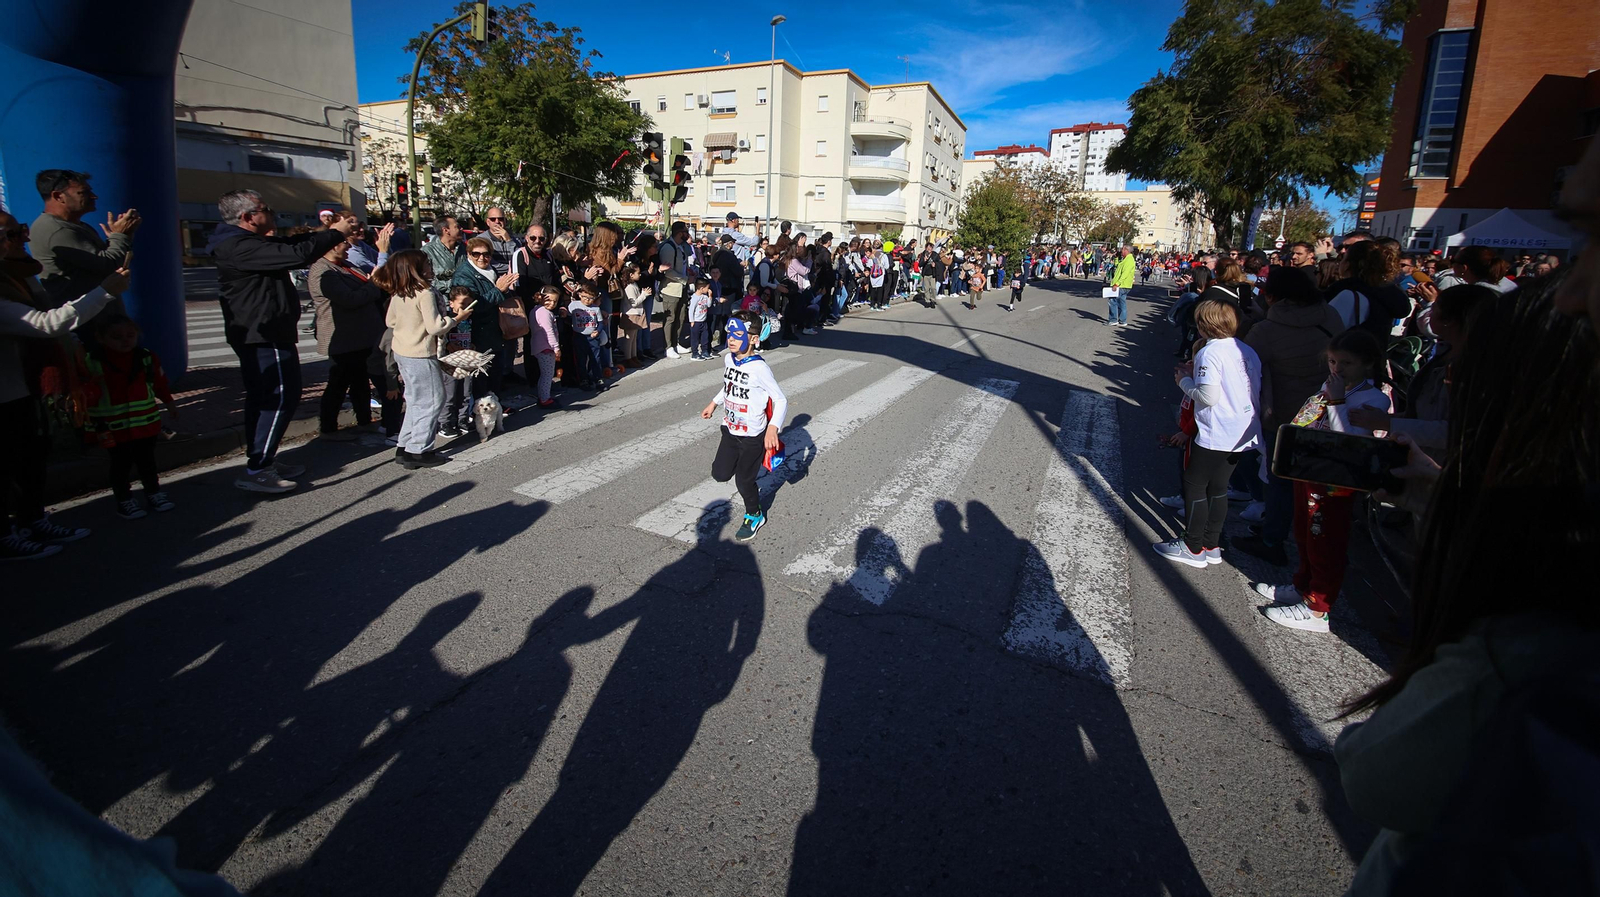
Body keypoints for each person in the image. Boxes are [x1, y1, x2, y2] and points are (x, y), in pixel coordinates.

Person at [1333, 281, 1599, 895]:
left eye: (1475, 379)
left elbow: (1375, 778)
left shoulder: (1526, 648)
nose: (1452, 385)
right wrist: (1442, 501)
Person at [207, 189, 354, 493]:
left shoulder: (249, 242)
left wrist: (330, 232)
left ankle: (264, 459)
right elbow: (297, 254)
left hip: (269, 331)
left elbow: (292, 244)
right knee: (278, 396)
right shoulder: (237, 246)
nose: (271, 213)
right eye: (265, 208)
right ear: (248, 217)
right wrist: (335, 234)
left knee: (269, 397)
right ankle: (258, 467)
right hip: (262, 333)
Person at [0, 217, 124, 560]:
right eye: (11, 235)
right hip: (6, 387)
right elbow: (45, 323)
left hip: (27, 383)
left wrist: (73, 349)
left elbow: (49, 317)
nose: (21, 239)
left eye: (19, 230)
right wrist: (105, 291)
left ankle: (33, 518)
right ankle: (6, 535)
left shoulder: (19, 272)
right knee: (7, 463)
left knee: (31, 456)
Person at [1252, 329, 1391, 632]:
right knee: (1303, 532)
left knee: (1325, 540)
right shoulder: (1331, 385)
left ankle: (1318, 607)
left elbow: (1351, 441)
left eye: (1346, 363)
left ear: (1366, 364)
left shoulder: (1374, 399)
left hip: (1336, 480)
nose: (1337, 369)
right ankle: (1304, 585)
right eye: (1332, 361)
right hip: (1311, 469)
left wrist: (1337, 400)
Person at [1230, 266, 1348, 566]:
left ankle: (1272, 538)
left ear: (1273, 295)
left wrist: (1246, 324)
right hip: (1325, 408)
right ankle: (1291, 532)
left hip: (1284, 413)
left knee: (1279, 478)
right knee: (1307, 482)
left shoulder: (1267, 330)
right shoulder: (1330, 316)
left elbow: (1246, 365)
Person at [1153, 299, 1262, 568]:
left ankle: (1192, 545)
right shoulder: (1245, 349)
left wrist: (1184, 382)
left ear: (1204, 324)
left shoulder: (1209, 352)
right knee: (1219, 487)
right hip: (1244, 426)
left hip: (1219, 427)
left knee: (1194, 483)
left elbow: (1208, 396)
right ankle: (1211, 544)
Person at [700, 309, 787, 543]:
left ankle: (754, 514)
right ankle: (745, 481)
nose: (731, 339)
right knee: (719, 474)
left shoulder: (759, 368)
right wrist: (714, 403)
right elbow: (728, 384)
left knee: (743, 481)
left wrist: (773, 428)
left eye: (738, 334)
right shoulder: (729, 359)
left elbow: (780, 399)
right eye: (730, 333)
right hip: (729, 429)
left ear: (754, 339)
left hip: (752, 436)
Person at [379, 249, 469, 469]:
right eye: (427, 264)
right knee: (433, 400)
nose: (431, 268)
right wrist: (456, 319)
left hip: (403, 351)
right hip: (420, 353)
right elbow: (435, 327)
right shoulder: (425, 292)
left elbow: (390, 321)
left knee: (415, 400)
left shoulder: (400, 292)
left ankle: (405, 445)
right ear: (416, 269)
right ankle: (419, 449)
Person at [83, 315, 178, 519]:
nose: (125, 340)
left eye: (130, 335)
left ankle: (153, 493)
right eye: (116, 337)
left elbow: (159, 383)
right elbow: (83, 396)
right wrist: (91, 386)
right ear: (101, 338)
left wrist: (170, 403)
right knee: (120, 465)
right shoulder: (92, 361)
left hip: (145, 424)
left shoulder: (146, 357)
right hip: (114, 428)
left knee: (147, 462)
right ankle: (124, 500)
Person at [309, 234, 387, 441]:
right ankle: (328, 428)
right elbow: (350, 299)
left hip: (362, 336)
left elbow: (369, 284)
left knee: (361, 382)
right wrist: (373, 284)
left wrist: (372, 283)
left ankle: (364, 421)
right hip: (342, 337)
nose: (348, 246)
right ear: (333, 246)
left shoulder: (347, 265)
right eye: (345, 243)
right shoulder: (322, 270)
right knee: (338, 383)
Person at [29, 169, 139, 313]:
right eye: (84, 192)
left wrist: (121, 237)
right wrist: (119, 236)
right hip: (86, 320)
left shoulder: (74, 226)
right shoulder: (58, 230)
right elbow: (109, 265)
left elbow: (105, 263)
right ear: (58, 196)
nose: (94, 197)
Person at [450, 236, 518, 397]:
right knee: (481, 378)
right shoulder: (464, 276)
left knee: (495, 374)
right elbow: (472, 306)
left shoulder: (489, 270)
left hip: (494, 331)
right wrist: (498, 290)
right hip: (478, 334)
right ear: (468, 254)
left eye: (486, 254)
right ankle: (481, 412)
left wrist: (506, 289)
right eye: (476, 254)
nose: (482, 258)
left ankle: (495, 407)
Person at [1325, 241, 1410, 336]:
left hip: (1344, 348)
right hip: (1375, 348)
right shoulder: (1391, 292)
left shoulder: (1345, 292)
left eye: (1343, 259)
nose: (1339, 263)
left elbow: (1325, 329)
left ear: (1348, 264)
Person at [658, 221, 694, 358]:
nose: (688, 234)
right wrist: (685, 279)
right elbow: (668, 272)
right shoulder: (669, 248)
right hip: (671, 289)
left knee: (681, 316)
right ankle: (668, 347)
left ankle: (676, 343)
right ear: (680, 233)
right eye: (685, 231)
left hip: (682, 288)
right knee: (670, 318)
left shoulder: (680, 246)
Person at [568, 283, 606, 390]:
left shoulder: (596, 308)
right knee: (581, 359)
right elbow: (567, 316)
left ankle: (598, 378)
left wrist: (597, 331)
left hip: (592, 337)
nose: (588, 300)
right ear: (580, 295)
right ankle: (583, 380)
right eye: (585, 297)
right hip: (579, 336)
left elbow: (600, 322)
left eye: (591, 298)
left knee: (595, 358)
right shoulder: (574, 305)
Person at [530, 285, 562, 407]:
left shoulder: (536, 310)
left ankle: (543, 396)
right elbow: (549, 331)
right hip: (546, 347)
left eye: (555, 301)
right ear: (541, 297)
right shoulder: (544, 313)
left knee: (545, 374)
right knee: (548, 375)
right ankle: (544, 399)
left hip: (540, 346)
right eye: (548, 300)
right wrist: (556, 347)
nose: (552, 304)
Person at [422, 215, 467, 297]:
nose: (461, 229)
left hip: (465, 301)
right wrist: (453, 284)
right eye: (457, 227)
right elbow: (425, 280)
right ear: (446, 230)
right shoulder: (427, 251)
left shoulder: (464, 249)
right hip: (441, 301)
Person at [481, 207, 522, 276]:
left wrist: (509, 241)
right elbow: (491, 265)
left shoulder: (515, 240)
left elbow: (519, 260)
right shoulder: (482, 240)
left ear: (505, 221)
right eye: (493, 219)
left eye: (500, 219)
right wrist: (513, 268)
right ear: (488, 222)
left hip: (514, 279)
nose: (497, 221)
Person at [1108, 245, 1136, 326]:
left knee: (1112, 301)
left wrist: (1117, 284)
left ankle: (1113, 319)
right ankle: (1122, 320)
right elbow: (1117, 266)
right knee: (1121, 302)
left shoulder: (1129, 260)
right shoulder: (1125, 259)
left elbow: (1125, 274)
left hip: (1122, 285)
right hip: (1124, 285)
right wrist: (1116, 258)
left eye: (1123, 249)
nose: (1121, 251)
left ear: (1126, 250)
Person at [687, 279, 714, 360]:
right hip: (696, 322)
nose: (708, 290)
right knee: (695, 338)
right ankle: (695, 353)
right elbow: (691, 310)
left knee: (705, 337)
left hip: (703, 321)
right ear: (702, 288)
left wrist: (710, 296)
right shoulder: (695, 298)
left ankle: (704, 351)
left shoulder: (704, 297)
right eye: (707, 288)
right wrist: (692, 321)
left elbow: (708, 305)